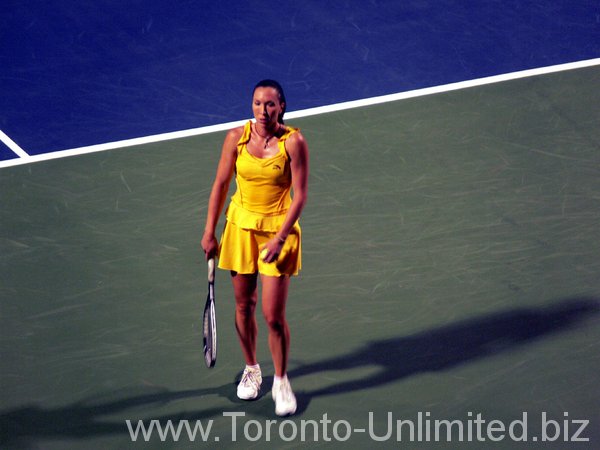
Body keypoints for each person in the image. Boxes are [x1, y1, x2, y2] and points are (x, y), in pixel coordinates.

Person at [201, 79, 309, 416]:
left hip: (278, 230)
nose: (263, 111)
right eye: (258, 104)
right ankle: (252, 368)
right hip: (240, 228)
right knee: (244, 306)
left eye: (270, 105)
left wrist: (280, 238)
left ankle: (280, 379)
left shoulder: (294, 142)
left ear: (281, 107)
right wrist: (209, 231)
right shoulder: (235, 138)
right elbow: (220, 184)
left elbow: (301, 195)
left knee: (273, 316)